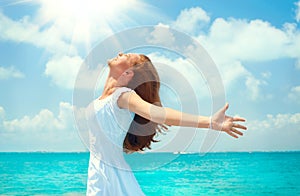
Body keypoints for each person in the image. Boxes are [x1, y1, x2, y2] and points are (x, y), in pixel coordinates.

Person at [85, 53, 247, 195]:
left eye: (126, 56)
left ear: (128, 73)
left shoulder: (123, 96)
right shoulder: (101, 99)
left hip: (111, 176)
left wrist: (209, 122)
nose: (120, 53)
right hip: (98, 171)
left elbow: (159, 114)